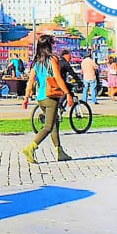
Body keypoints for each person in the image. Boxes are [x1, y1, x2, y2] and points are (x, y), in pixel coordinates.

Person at [21, 34, 74, 164]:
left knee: (55, 123)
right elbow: (58, 78)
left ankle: (59, 151)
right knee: (49, 126)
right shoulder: (52, 59)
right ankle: (31, 147)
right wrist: (67, 93)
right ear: (49, 46)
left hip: (41, 98)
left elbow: (31, 80)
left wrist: (26, 97)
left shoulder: (36, 62)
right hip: (51, 97)